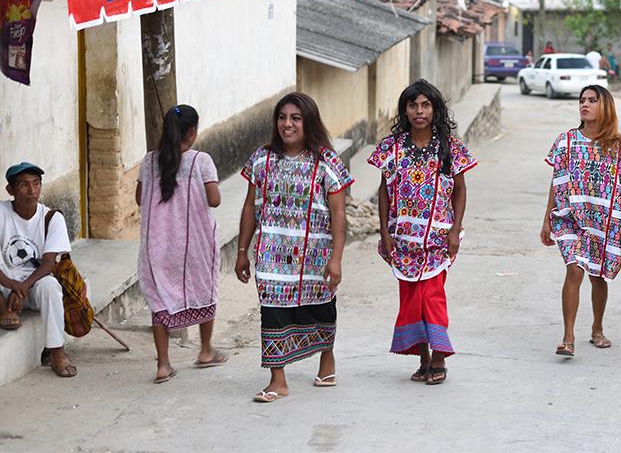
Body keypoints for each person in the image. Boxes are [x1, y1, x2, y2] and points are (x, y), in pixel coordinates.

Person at [235, 93, 352, 403]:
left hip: (315, 257)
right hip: (272, 256)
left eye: (295, 118)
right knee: (272, 311)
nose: (287, 124)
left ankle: (327, 358)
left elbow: (339, 213)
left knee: (322, 306)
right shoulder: (261, 159)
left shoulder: (327, 162)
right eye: (282, 117)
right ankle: (278, 380)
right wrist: (242, 251)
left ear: (308, 122)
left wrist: (336, 258)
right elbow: (250, 206)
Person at [370, 80, 477, 385]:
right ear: (405, 110)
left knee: (432, 296)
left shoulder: (450, 148)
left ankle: (440, 356)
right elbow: (383, 191)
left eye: (425, 105)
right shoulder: (390, 149)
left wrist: (455, 230)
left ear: (435, 109)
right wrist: (385, 233)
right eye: (413, 105)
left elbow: (460, 190)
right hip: (402, 238)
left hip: (437, 239)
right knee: (411, 299)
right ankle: (424, 359)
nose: (419, 111)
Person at [540, 85, 621, 356]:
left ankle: (597, 328)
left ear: (605, 106)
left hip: (603, 221)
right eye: (582, 100)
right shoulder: (566, 141)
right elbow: (556, 182)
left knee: (597, 276)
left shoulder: (620, 149)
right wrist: (547, 219)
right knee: (574, 270)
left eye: (592, 101)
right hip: (569, 218)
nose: (585, 105)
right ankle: (568, 337)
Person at [136, 105, 226, 384]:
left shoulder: (149, 161)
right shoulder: (201, 161)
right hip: (193, 243)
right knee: (204, 288)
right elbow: (214, 200)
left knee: (160, 300)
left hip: (158, 245)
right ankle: (206, 350)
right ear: (192, 131)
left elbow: (140, 198)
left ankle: (163, 365)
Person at [0, 163, 75, 377]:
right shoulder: (1, 213)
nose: (32, 191)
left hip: (31, 286)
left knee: (51, 286)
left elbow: (49, 263)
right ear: (10, 190)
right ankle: (5, 309)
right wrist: (10, 284)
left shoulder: (52, 218)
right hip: (5, 284)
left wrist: (22, 286)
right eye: (24, 185)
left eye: (36, 184)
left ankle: (57, 354)